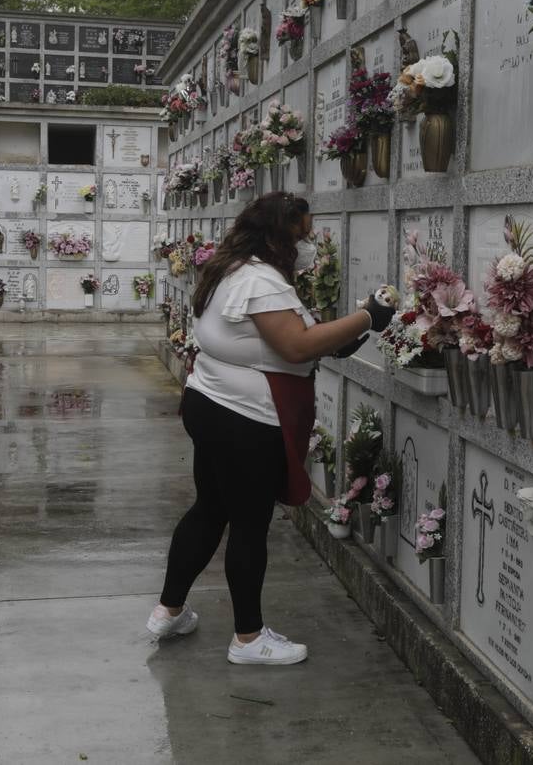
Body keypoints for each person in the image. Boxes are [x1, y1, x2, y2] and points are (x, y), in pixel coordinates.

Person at [146, 192, 395, 665]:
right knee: (248, 523)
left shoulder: (232, 268)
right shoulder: (261, 281)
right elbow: (295, 347)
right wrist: (368, 317)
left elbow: (282, 340)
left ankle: (168, 610)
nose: (309, 243)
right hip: (244, 419)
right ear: (280, 234)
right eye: (303, 233)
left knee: (209, 509)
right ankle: (248, 638)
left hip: (211, 403)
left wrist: (339, 337)